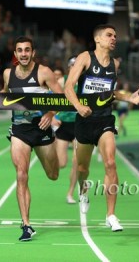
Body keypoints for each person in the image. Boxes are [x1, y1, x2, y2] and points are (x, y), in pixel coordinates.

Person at [64, 24, 139, 232]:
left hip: (104, 120)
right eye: (109, 35)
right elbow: (68, 86)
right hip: (84, 121)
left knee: (110, 162)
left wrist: (129, 98)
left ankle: (111, 215)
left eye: (115, 36)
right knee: (82, 169)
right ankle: (83, 190)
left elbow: (112, 93)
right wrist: (79, 106)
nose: (114, 38)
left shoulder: (114, 65)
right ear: (98, 39)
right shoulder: (85, 58)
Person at [0, 36, 63, 242]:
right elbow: (2, 94)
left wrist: (51, 114)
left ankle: (56, 149)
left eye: (27, 50)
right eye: (20, 50)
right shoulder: (8, 74)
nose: (24, 54)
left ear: (33, 52)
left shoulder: (44, 72)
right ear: (16, 53)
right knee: (21, 174)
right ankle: (26, 225)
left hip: (42, 128)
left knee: (53, 174)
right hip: (20, 129)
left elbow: (62, 96)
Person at [52, 56, 79, 204]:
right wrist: (52, 116)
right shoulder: (62, 82)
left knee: (76, 160)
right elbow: (49, 98)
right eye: (72, 65)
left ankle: (70, 193)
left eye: (77, 65)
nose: (74, 67)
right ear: (68, 67)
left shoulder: (84, 83)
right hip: (63, 125)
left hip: (78, 125)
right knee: (61, 163)